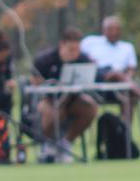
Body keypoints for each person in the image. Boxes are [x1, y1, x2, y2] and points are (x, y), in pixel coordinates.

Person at [31, 28, 98, 163]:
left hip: (73, 99)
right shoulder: (45, 60)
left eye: (77, 49)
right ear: (62, 44)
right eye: (71, 49)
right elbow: (35, 82)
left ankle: (65, 143)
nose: (75, 53)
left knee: (91, 109)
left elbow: (92, 78)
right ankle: (48, 144)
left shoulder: (84, 59)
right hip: (49, 100)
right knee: (55, 112)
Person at [81, 16, 140, 123]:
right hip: (97, 81)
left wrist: (126, 79)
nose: (114, 32)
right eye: (111, 29)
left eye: (117, 29)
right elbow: (78, 55)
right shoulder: (90, 42)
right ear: (104, 30)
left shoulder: (127, 47)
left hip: (120, 85)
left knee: (128, 97)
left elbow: (131, 68)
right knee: (116, 74)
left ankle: (125, 135)